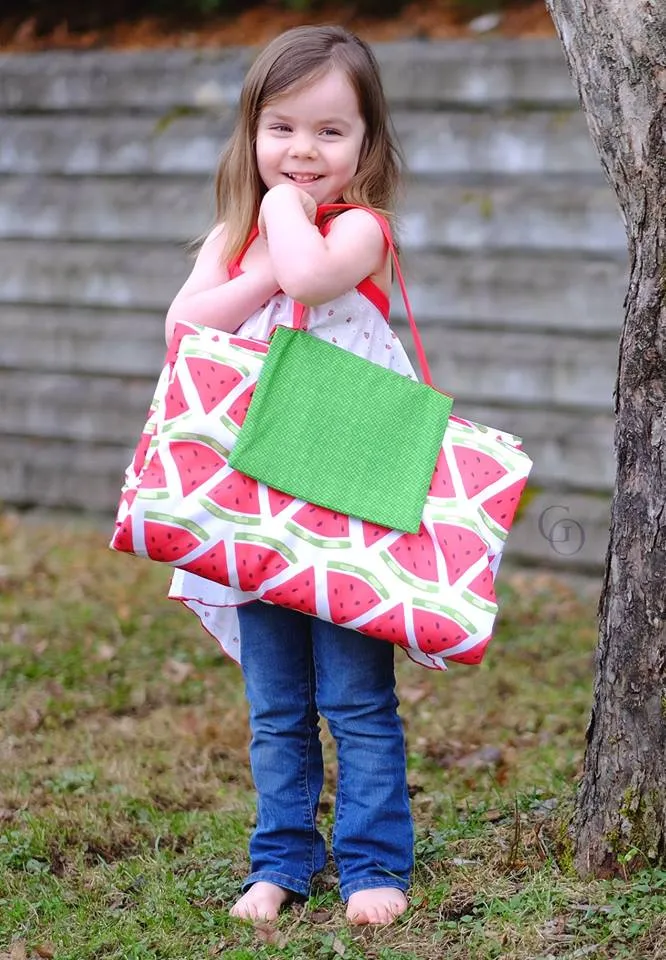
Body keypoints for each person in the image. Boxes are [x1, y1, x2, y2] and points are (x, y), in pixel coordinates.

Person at [165, 25, 416, 926]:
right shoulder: (233, 237)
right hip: (254, 505)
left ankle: (375, 866)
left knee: (355, 699)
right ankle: (278, 863)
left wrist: (281, 219)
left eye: (330, 132)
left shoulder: (361, 229)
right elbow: (184, 329)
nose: (303, 151)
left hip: (343, 498)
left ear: (366, 146)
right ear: (252, 134)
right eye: (283, 129)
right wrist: (258, 249)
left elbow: (311, 285)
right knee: (276, 708)